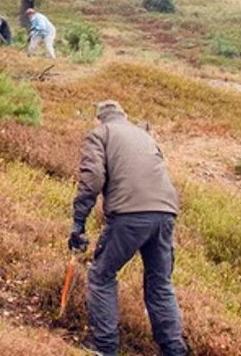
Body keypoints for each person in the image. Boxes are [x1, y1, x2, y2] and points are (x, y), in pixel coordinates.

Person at [68, 100, 186, 356]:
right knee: (160, 284)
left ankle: (105, 348)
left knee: (101, 276)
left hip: (130, 215)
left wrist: (78, 222)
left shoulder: (100, 134)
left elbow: (93, 178)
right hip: (166, 213)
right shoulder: (144, 136)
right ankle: (175, 351)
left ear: (98, 119)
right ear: (124, 115)